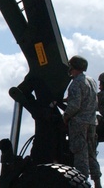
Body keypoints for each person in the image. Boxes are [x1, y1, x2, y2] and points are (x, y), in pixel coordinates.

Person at [63, 55, 102, 188]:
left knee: (80, 153)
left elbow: (75, 106)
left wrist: (65, 117)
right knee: (91, 153)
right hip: (92, 122)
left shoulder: (75, 83)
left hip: (79, 123)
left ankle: (82, 183)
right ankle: (98, 183)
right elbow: (90, 100)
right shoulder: (91, 81)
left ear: (73, 67)